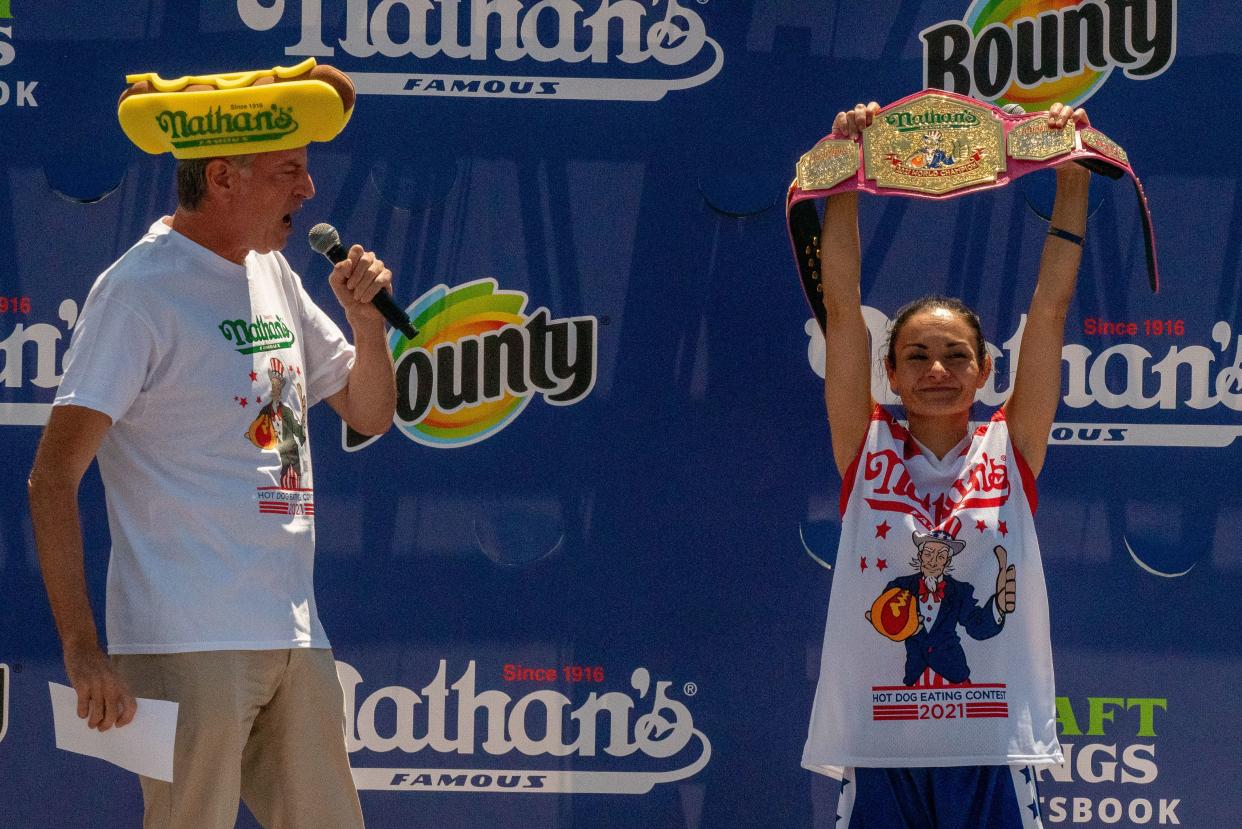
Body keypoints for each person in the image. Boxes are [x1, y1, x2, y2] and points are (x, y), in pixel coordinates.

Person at [27, 70, 395, 827]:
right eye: (289, 170)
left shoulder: (276, 274)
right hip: (184, 638)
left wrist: (368, 326)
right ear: (223, 176)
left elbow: (368, 411)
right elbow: (52, 476)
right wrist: (83, 649)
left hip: (294, 630)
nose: (310, 188)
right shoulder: (138, 291)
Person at [802, 101, 1091, 828]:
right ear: (890, 375)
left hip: (990, 748)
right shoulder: (862, 448)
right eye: (917, 356)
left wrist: (1073, 177)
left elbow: (1050, 311)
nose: (938, 367)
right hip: (880, 751)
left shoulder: (1011, 445)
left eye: (956, 354)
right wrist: (844, 169)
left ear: (985, 369)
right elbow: (841, 310)